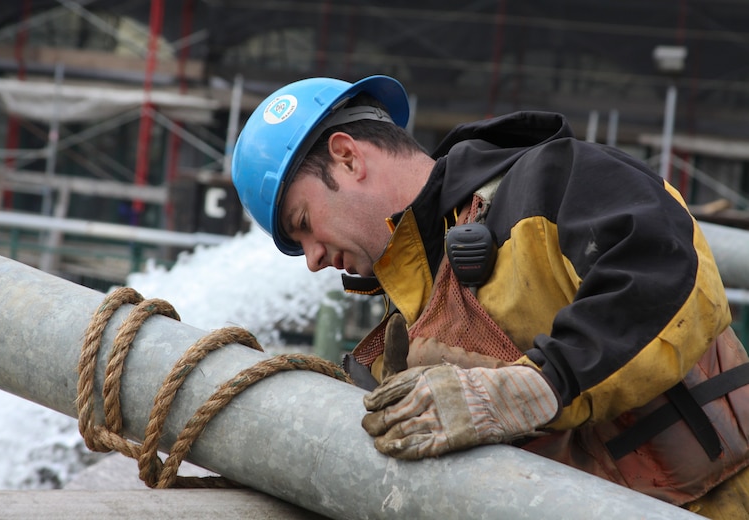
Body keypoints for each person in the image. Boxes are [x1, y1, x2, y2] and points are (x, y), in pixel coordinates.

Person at [231, 75, 749, 518]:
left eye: (303, 225)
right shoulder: (410, 309)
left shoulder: (556, 179)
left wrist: (536, 387)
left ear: (346, 157)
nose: (314, 258)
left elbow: (671, 280)